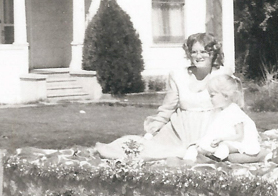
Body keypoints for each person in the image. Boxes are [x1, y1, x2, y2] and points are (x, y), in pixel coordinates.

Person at [96, 32, 225, 160]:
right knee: (143, 150)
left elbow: (232, 107)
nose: (198, 56)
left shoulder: (223, 76)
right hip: (179, 133)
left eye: (203, 52)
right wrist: (155, 127)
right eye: (194, 52)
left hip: (210, 131)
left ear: (213, 53)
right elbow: (168, 108)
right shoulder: (179, 76)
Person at [185, 73, 265, 162]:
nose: (210, 99)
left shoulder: (234, 111)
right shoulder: (219, 112)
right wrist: (202, 141)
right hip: (221, 141)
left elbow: (240, 136)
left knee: (225, 149)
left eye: (212, 95)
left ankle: (215, 160)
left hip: (238, 142)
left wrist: (222, 139)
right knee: (194, 147)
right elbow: (215, 131)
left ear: (226, 96)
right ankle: (188, 163)